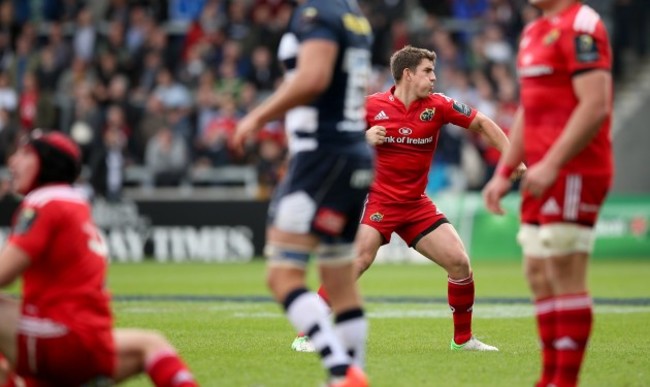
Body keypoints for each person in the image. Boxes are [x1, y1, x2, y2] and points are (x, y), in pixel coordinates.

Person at [292, 45, 525, 353]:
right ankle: (306, 334)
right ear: (408, 74)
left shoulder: (439, 105)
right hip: (378, 201)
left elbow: (482, 122)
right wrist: (362, 139)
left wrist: (511, 157)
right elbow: (328, 139)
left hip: (416, 204)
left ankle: (463, 340)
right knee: (358, 261)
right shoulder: (369, 107)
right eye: (428, 71)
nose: (434, 77)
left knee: (459, 263)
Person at [232, 1, 374, 386]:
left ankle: (341, 371)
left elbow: (313, 78)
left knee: (282, 274)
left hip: (320, 157)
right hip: (350, 155)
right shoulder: (353, 15)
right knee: (340, 281)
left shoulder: (318, 13)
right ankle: (352, 372)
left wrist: (256, 117)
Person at [482, 1, 613, 386]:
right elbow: (530, 110)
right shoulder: (533, 32)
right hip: (540, 170)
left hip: (574, 168)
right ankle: (549, 377)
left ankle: (563, 381)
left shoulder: (583, 24)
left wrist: (553, 162)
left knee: (564, 271)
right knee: (537, 272)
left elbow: (596, 104)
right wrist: (504, 171)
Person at [0, 130, 198, 386]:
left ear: (47, 163)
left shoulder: (44, 202)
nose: (13, 162)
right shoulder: (76, 203)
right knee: (151, 343)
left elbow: (3, 275)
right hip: (93, 337)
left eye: (24, 154)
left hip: (58, 337)